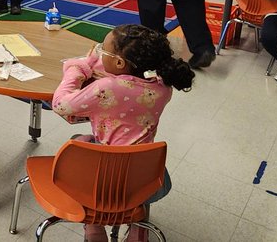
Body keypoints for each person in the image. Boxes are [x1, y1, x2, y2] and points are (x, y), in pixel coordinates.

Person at [52, 24, 194, 242]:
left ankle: (94, 228)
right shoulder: (163, 87)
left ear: (119, 63)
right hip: (144, 175)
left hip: (105, 177)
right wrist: (101, 64)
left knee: (78, 143)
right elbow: (123, 85)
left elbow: (61, 105)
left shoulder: (107, 88)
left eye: (103, 50)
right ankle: (139, 230)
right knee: (135, 167)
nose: (100, 52)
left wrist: (76, 68)